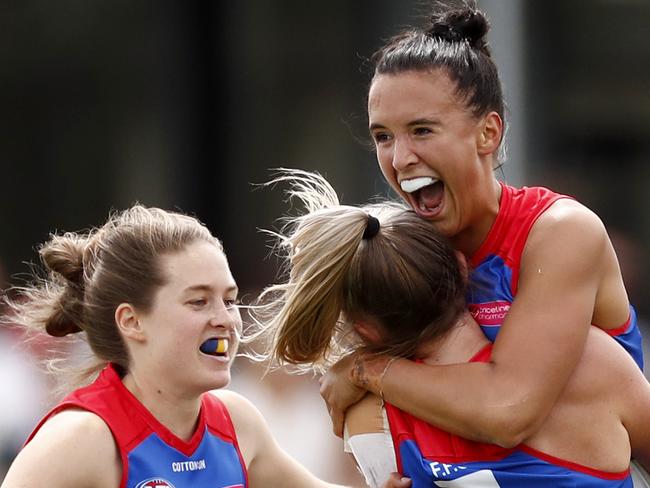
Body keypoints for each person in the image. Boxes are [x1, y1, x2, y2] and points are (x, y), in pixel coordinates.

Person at [318, 0, 644, 452]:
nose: (399, 157)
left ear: (488, 133)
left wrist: (366, 371)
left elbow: (508, 411)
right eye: (383, 136)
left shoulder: (561, 231)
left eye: (422, 130)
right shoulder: (397, 248)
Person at [251, 170, 650, 487]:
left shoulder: (370, 414)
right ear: (463, 266)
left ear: (366, 329)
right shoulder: (593, 364)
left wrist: (364, 369)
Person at [0, 205, 401, 488]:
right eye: (198, 301)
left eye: (229, 299)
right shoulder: (83, 437)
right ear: (132, 321)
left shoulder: (235, 421)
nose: (225, 317)